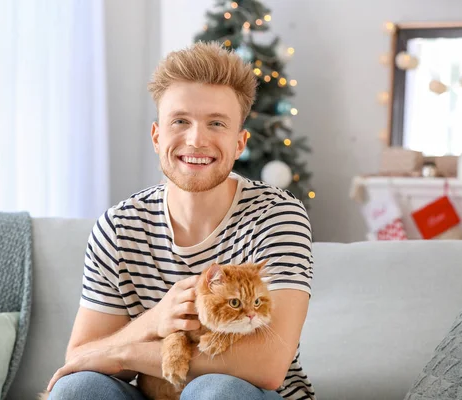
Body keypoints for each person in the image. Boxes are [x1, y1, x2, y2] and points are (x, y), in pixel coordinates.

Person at [46, 41, 315, 400]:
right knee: (78, 389)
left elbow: (266, 366)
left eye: (216, 123)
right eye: (180, 121)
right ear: (158, 137)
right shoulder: (118, 227)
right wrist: (155, 321)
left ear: (240, 143)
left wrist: (124, 351)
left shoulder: (278, 217)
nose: (196, 139)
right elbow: (80, 359)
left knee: (216, 391)